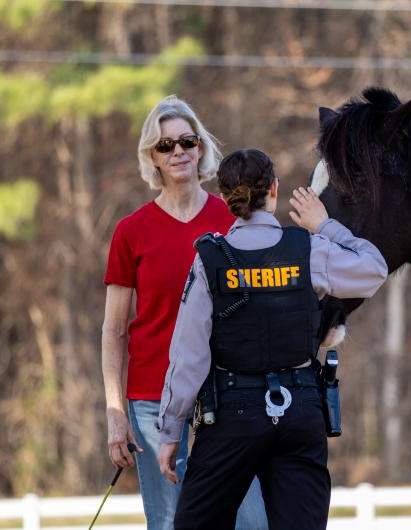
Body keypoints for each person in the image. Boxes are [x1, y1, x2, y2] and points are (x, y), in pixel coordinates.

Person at [156, 149, 388, 530]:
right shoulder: (308, 250)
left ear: (226, 197)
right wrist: (324, 225)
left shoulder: (210, 259)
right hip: (299, 411)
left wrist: (170, 432)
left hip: (231, 416)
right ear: (274, 190)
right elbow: (374, 269)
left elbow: (188, 356)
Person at [101, 96, 268, 530]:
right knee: (173, 522)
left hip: (229, 392)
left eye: (186, 141)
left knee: (251, 522)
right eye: (164, 145)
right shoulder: (130, 231)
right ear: (152, 158)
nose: (177, 151)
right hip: (153, 395)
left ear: (199, 148)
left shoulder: (231, 221)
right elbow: (114, 329)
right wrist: (115, 411)